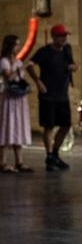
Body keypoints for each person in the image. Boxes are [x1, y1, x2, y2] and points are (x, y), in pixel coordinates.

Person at [26, 22, 76, 171]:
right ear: (54, 37)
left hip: (62, 94)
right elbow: (29, 65)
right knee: (49, 126)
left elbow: (72, 64)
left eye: (65, 36)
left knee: (66, 125)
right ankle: (49, 156)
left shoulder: (67, 50)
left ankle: (55, 153)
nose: (64, 38)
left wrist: (73, 67)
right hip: (48, 95)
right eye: (61, 36)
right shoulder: (45, 52)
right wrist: (38, 82)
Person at [0, 34, 33, 173]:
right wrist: (20, 69)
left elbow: (20, 78)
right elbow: (9, 77)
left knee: (18, 127)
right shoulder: (4, 61)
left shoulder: (18, 61)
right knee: (7, 127)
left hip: (19, 98)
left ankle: (19, 161)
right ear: (10, 46)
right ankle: (2, 162)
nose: (18, 47)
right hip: (9, 98)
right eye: (16, 44)